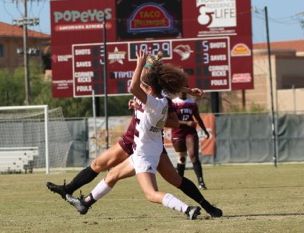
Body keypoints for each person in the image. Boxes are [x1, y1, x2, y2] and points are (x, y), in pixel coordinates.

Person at [46, 77, 222, 219]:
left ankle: (198, 207)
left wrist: (150, 112)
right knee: (106, 169)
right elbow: (160, 87)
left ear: (149, 86)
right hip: (139, 139)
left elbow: (165, 110)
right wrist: (188, 90)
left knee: (168, 183)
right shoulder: (149, 91)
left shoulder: (150, 95)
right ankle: (80, 199)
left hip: (143, 143)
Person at [63, 51, 201, 218]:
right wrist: (185, 90)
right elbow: (156, 90)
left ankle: (188, 209)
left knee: (151, 194)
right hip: (147, 148)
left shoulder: (152, 99)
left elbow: (136, 87)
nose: (146, 72)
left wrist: (140, 64)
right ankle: (84, 203)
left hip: (144, 151)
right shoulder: (159, 99)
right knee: (112, 174)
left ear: (150, 85)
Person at [171, 90, 210, 189]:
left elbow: (198, 117)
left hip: (190, 131)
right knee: (181, 158)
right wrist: (186, 122)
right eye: (180, 88)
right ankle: (179, 182)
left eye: (185, 88)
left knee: (193, 155)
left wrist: (205, 130)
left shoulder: (192, 103)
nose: (182, 91)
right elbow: (171, 120)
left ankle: (201, 182)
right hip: (177, 132)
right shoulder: (173, 102)